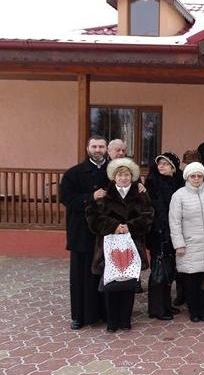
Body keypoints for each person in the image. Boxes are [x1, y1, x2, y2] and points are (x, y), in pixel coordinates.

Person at [87, 158, 154, 333]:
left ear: (132, 177)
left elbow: (148, 215)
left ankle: (125, 320)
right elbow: (93, 217)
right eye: (120, 175)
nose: (123, 178)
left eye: (127, 175)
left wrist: (130, 226)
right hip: (109, 247)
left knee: (129, 283)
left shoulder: (140, 194)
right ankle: (112, 321)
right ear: (114, 177)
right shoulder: (104, 195)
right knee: (112, 282)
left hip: (132, 245)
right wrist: (114, 226)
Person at [58, 136, 110, 330]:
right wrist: (90, 197)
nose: (97, 150)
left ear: (106, 149)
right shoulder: (74, 173)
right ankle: (79, 316)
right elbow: (66, 198)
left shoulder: (114, 171)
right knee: (81, 276)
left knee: (104, 274)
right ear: (88, 148)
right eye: (94, 146)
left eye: (101, 146)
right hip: (81, 233)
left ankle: (105, 314)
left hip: (106, 232)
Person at [169, 162, 204, 322]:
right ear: (187, 177)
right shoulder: (179, 195)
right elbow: (174, 222)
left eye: (199, 176)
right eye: (193, 176)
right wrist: (179, 244)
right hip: (188, 246)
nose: (196, 179)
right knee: (191, 281)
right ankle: (194, 311)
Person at [145, 152, 184, 320]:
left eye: (165, 164)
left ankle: (166, 304)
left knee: (168, 270)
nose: (161, 166)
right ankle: (157, 309)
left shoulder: (178, 182)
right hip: (159, 232)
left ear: (173, 168)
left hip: (173, 231)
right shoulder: (153, 182)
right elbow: (156, 209)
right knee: (159, 270)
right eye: (159, 163)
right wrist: (162, 230)